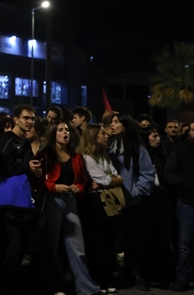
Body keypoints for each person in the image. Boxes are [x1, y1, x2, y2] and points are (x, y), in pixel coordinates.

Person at [34, 122, 100, 295]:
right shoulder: (45, 155)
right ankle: (54, 286)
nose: (65, 133)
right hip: (52, 200)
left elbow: (82, 179)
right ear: (53, 134)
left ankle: (86, 289)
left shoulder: (75, 156)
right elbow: (37, 181)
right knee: (52, 247)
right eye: (61, 130)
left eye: (67, 130)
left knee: (77, 247)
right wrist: (54, 187)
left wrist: (78, 186)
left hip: (70, 201)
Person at [0, 104, 42, 295]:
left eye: (32, 118)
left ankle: (13, 283)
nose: (30, 121)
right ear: (16, 119)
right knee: (13, 245)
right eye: (26, 118)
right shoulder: (6, 140)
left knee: (21, 246)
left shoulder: (25, 142)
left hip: (22, 200)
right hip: (8, 202)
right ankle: (9, 286)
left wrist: (34, 170)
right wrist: (26, 167)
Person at [106, 113, 156, 291]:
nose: (112, 125)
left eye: (116, 122)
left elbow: (147, 175)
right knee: (114, 241)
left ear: (125, 127)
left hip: (131, 203)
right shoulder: (108, 146)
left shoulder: (137, 149)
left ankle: (135, 274)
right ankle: (117, 275)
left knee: (134, 241)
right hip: (111, 203)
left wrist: (135, 193)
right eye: (111, 122)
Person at [164, 120, 194, 292]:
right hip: (188, 206)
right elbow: (168, 172)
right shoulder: (180, 151)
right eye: (193, 130)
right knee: (185, 245)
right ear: (188, 133)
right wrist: (183, 182)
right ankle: (183, 279)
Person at [77, 124, 122, 294]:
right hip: (93, 203)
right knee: (97, 243)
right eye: (103, 134)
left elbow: (116, 177)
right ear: (93, 137)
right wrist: (111, 179)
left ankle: (106, 278)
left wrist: (110, 179)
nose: (107, 136)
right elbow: (106, 179)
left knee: (108, 241)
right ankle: (98, 280)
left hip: (106, 202)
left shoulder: (104, 156)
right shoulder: (87, 158)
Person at [139, 125, 176, 286]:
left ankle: (164, 274)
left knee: (163, 236)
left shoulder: (162, 154)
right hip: (147, 199)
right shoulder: (142, 155)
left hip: (162, 198)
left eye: (158, 135)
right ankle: (149, 273)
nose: (158, 139)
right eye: (154, 136)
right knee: (148, 236)